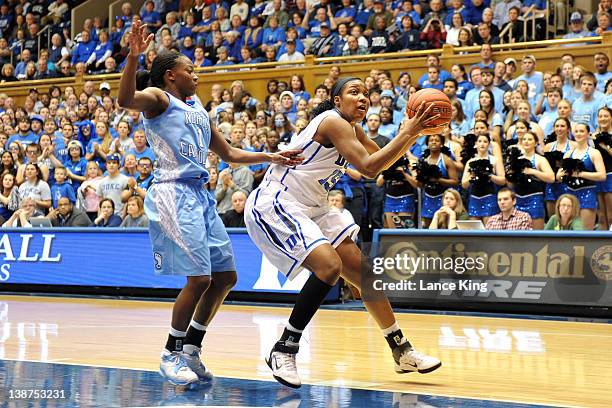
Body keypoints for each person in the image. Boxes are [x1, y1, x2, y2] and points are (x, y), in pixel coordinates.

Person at [117, 21, 303, 386]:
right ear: (171, 76)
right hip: (173, 193)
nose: (196, 75)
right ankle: (170, 352)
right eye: (190, 70)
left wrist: (271, 155)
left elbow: (230, 152)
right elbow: (125, 100)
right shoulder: (158, 98)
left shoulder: (197, 108)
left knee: (226, 277)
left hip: (200, 196)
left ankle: (192, 348)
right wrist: (134, 55)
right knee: (199, 277)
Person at [244, 77, 442, 389]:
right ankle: (284, 348)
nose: (363, 98)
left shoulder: (354, 129)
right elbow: (368, 166)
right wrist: (408, 132)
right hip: (279, 199)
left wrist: (413, 132)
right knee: (330, 267)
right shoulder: (332, 122)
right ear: (337, 101)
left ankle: (401, 351)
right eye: (354, 92)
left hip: (314, 205)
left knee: (365, 277)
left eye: (367, 94)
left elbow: (385, 161)